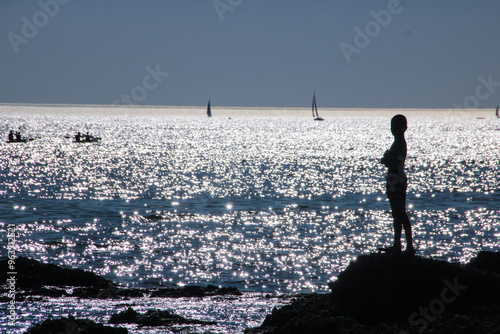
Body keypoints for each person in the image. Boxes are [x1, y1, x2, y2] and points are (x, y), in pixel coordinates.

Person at [381, 114, 415, 256]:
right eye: (392, 127)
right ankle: (400, 245)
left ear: (404, 128)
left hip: (396, 178)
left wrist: (386, 156)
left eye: (396, 127)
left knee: (399, 213)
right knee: (398, 214)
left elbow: (388, 161)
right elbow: (388, 160)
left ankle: (404, 246)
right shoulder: (397, 143)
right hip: (394, 178)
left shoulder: (399, 143)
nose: (393, 129)